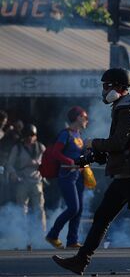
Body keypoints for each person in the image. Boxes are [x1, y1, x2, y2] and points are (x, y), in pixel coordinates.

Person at [52, 67, 130, 277]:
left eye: (106, 86)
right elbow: (123, 146)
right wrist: (93, 155)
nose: (103, 90)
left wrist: (94, 143)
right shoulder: (122, 108)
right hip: (126, 174)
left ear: (119, 87)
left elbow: (119, 143)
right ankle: (81, 261)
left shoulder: (129, 111)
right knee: (104, 217)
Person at [45, 106, 88, 249]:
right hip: (66, 175)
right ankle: (53, 235)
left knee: (80, 208)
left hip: (78, 175)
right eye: (84, 117)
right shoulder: (65, 134)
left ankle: (72, 240)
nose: (87, 120)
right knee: (73, 208)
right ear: (78, 117)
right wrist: (70, 162)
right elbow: (55, 153)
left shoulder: (78, 135)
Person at [6, 124, 46, 247]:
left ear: (36, 136)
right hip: (22, 181)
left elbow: (48, 163)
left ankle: (41, 237)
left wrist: (40, 165)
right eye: (27, 135)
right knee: (21, 210)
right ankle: (22, 237)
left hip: (36, 182)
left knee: (39, 210)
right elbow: (10, 164)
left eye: (32, 135)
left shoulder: (41, 147)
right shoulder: (17, 148)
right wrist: (13, 174)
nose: (30, 137)